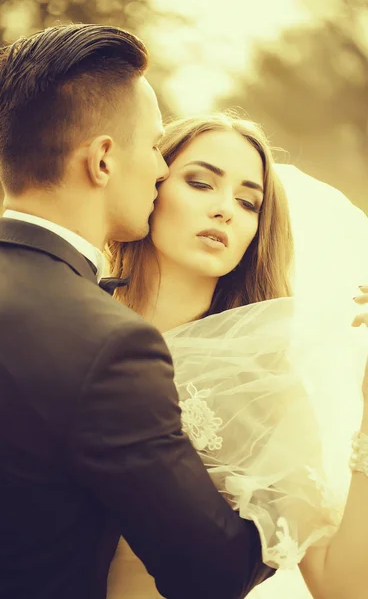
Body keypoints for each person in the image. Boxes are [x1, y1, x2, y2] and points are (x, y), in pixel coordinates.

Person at [0, 26, 274, 599]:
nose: (160, 169)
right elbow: (213, 573)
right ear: (104, 159)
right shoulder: (110, 345)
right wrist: (290, 512)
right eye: (155, 147)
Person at [106, 113, 368, 599]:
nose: (225, 209)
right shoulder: (73, 321)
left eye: (248, 202)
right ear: (151, 188)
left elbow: (342, 586)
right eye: (201, 183)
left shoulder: (264, 384)